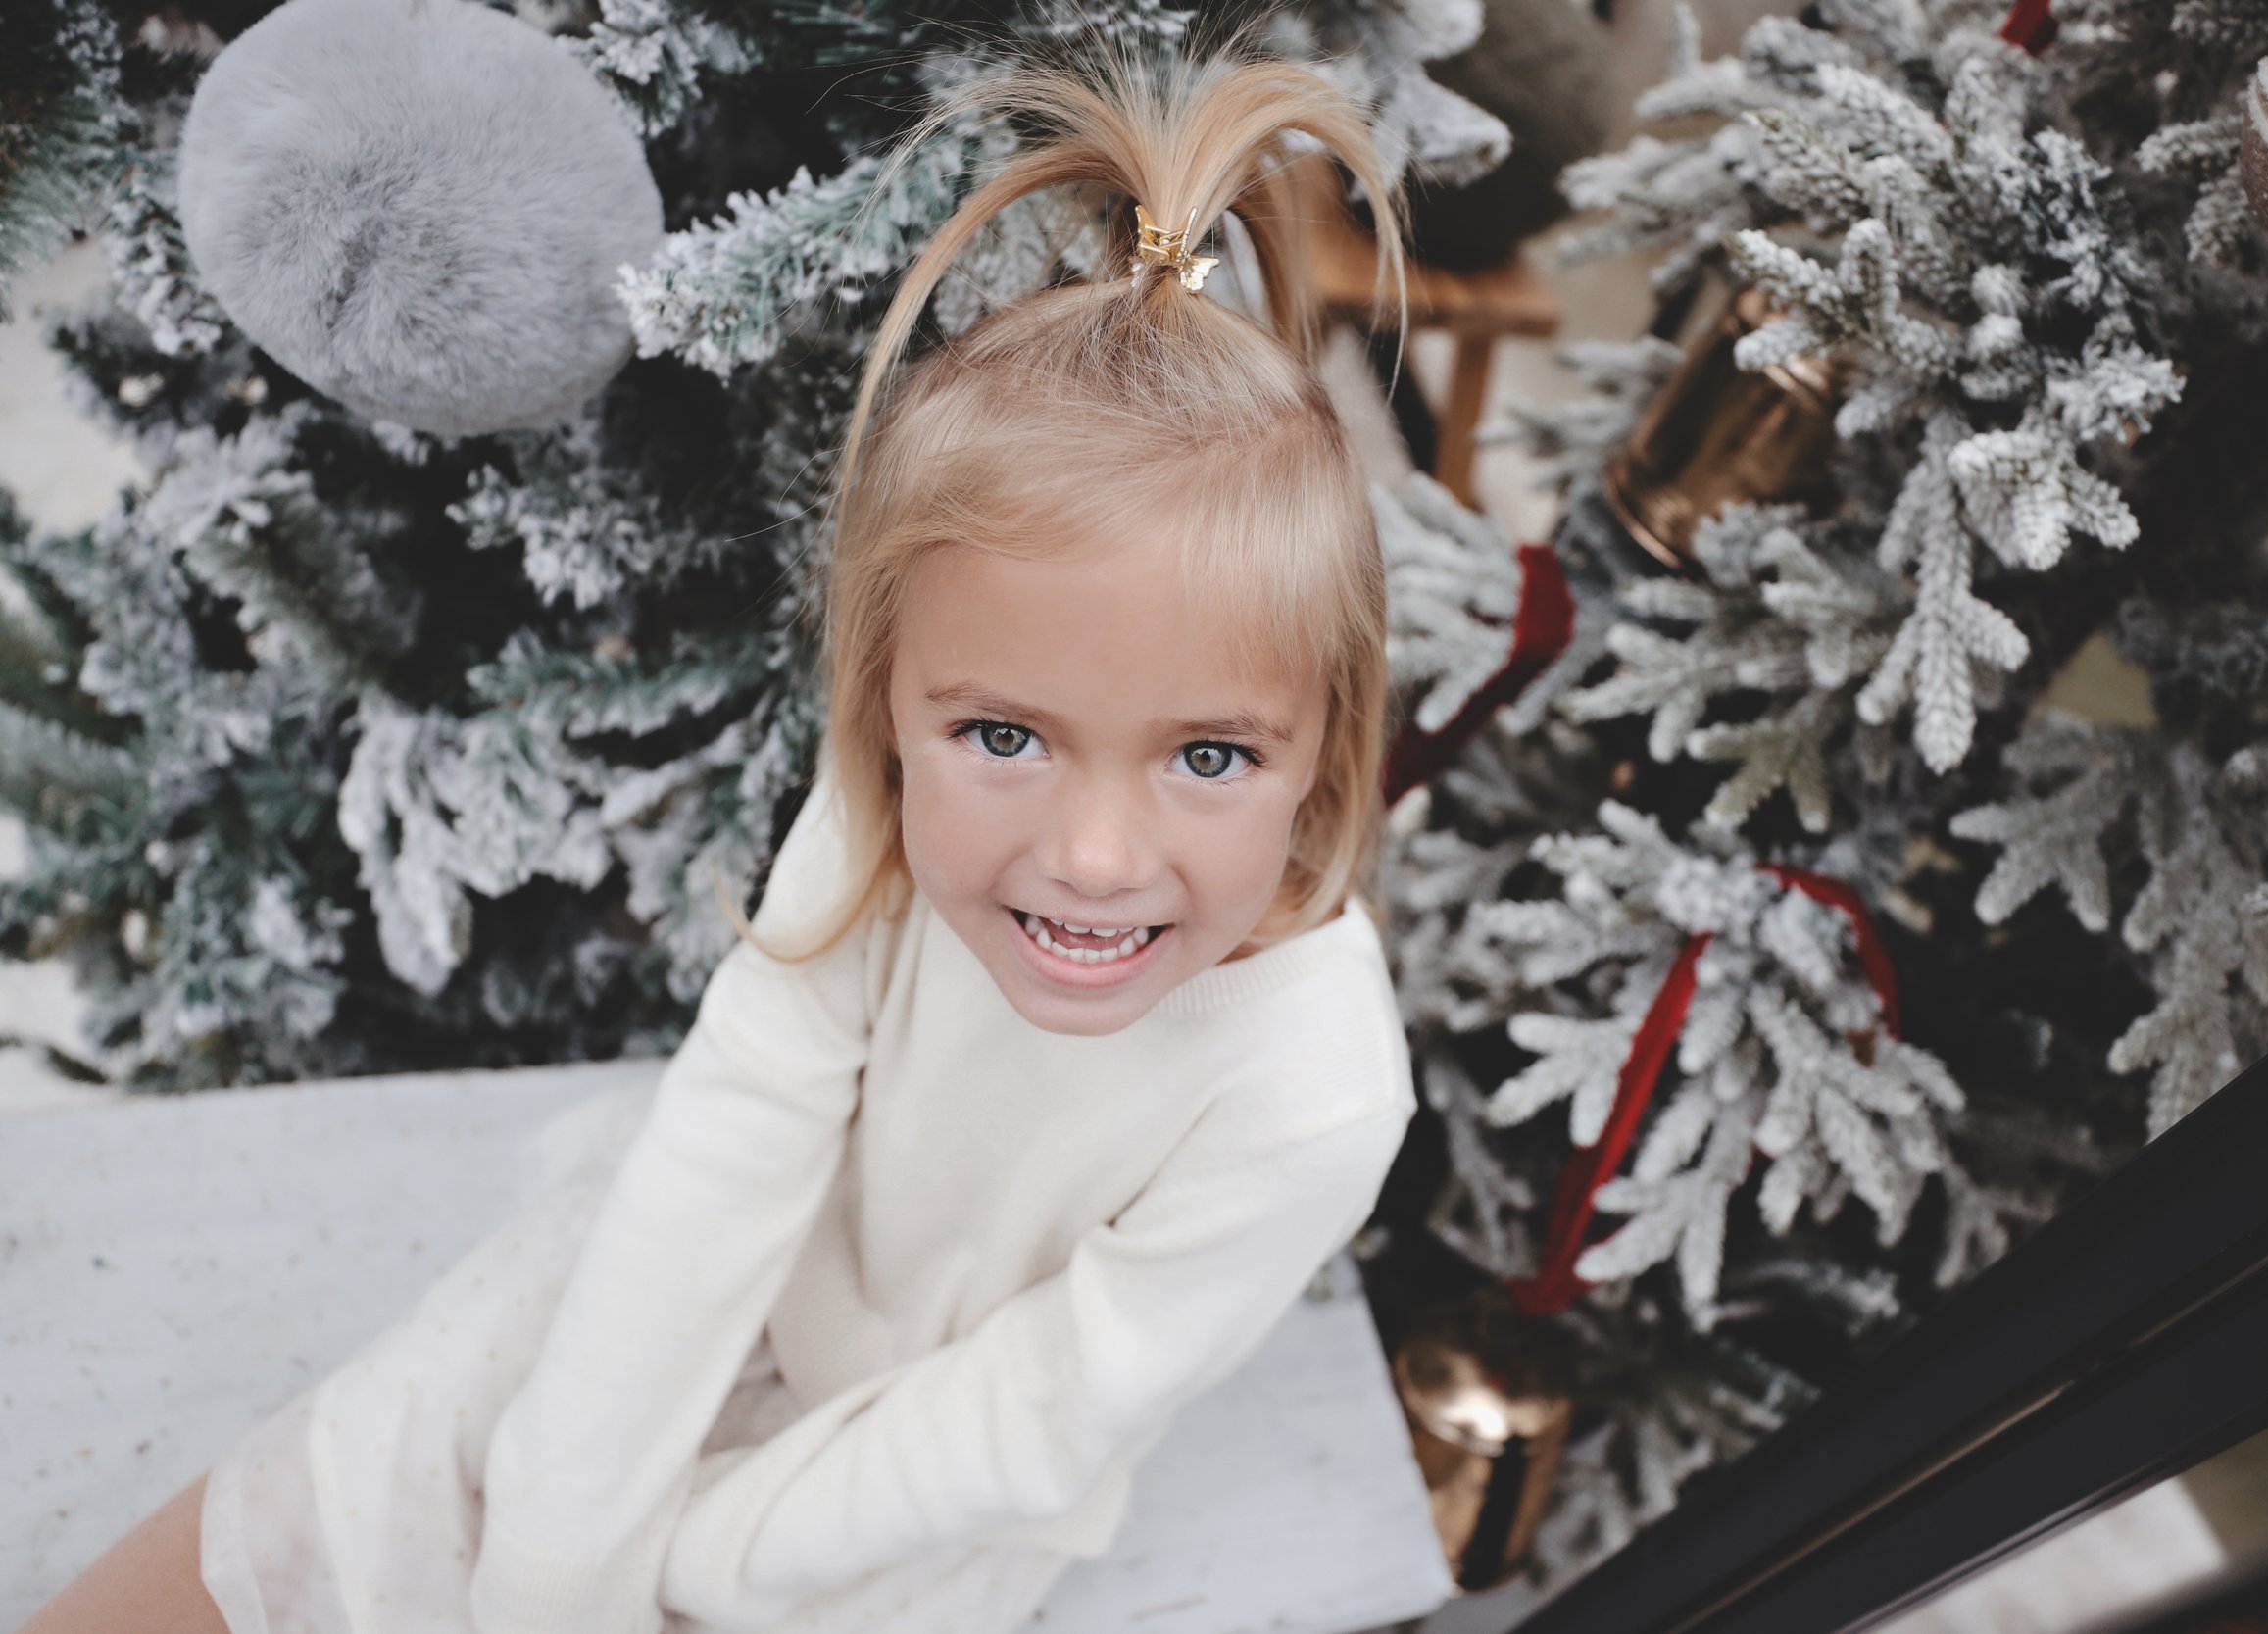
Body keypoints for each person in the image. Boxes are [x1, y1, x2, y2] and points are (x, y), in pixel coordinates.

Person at [21, 34, 1415, 1634]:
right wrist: (563, 1543)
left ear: (1323, 751)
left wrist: (697, 1560)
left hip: (906, 1489)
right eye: (1007, 738)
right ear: (888, 701)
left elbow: (1026, 1420)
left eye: (1213, 755)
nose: (1095, 855)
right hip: (721, 1285)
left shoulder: (1309, 1090)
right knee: (356, 1483)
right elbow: (734, 1133)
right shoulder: (891, 812)